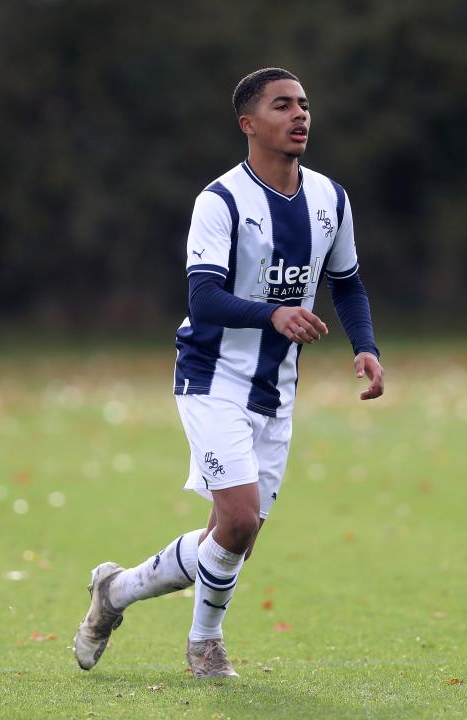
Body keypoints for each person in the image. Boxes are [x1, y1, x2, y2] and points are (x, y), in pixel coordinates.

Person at [73, 67, 384, 679]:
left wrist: (365, 345)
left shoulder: (331, 199)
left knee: (235, 535)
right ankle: (204, 646)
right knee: (238, 519)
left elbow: (346, 282)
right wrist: (275, 314)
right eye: (281, 105)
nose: (299, 115)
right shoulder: (220, 202)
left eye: (303, 104)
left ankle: (116, 592)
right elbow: (204, 299)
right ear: (248, 124)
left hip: (278, 391)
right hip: (212, 377)